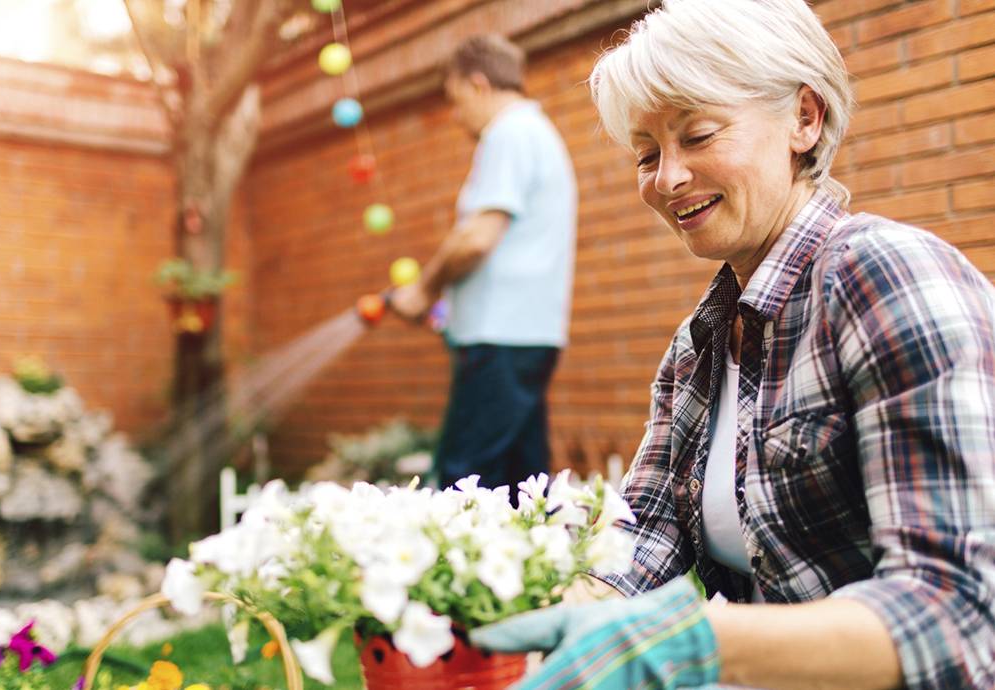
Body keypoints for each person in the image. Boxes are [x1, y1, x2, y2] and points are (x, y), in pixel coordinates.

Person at [469, 1, 995, 688]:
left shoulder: (885, 277)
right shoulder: (700, 348)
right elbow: (639, 538)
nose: (667, 180)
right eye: (648, 154)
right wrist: (484, 617)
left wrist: (697, 639)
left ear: (804, 119)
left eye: (699, 135)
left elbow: (957, 611)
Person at [389, 34, 577, 501]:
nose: (456, 117)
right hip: (527, 336)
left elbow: (476, 237)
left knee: (463, 484)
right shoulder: (537, 133)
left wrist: (422, 291)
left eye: (455, 101)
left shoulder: (508, 132)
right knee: (523, 490)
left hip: (500, 340)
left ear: (478, 85)